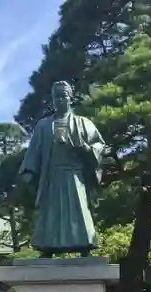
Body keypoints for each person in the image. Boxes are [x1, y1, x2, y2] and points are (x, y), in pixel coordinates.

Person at [19, 80, 109, 257]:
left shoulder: (83, 123)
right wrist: (29, 171)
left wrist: (85, 148)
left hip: (75, 176)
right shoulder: (43, 126)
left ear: (70, 98)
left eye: (63, 96)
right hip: (52, 177)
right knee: (50, 213)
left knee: (79, 210)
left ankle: (85, 246)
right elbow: (34, 151)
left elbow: (100, 146)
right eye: (56, 96)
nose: (60, 100)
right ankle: (47, 247)